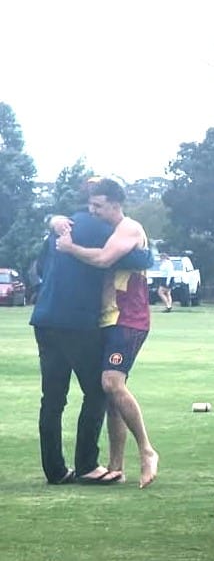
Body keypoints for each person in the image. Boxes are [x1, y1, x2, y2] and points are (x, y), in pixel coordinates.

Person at [31, 183, 152, 485]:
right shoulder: (103, 230)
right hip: (78, 321)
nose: (93, 209)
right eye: (92, 203)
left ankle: (55, 471)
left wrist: (53, 221)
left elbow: (42, 267)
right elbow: (135, 260)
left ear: (111, 203)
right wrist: (149, 257)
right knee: (98, 391)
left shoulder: (62, 227)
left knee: (53, 398)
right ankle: (87, 465)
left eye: (97, 204)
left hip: (44, 318)